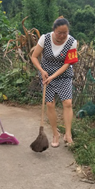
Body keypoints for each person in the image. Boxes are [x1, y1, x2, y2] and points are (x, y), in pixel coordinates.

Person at [30, 17, 78, 148]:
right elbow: (34, 57)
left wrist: (54, 76)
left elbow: (68, 64)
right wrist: (41, 70)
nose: (62, 36)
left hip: (64, 75)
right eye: (59, 33)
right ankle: (55, 133)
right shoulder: (44, 39)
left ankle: (68, 134)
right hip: (46, 74)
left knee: (67, 103)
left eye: (65, 33)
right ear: (54, 30)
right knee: (50, 104)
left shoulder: (72, 42)